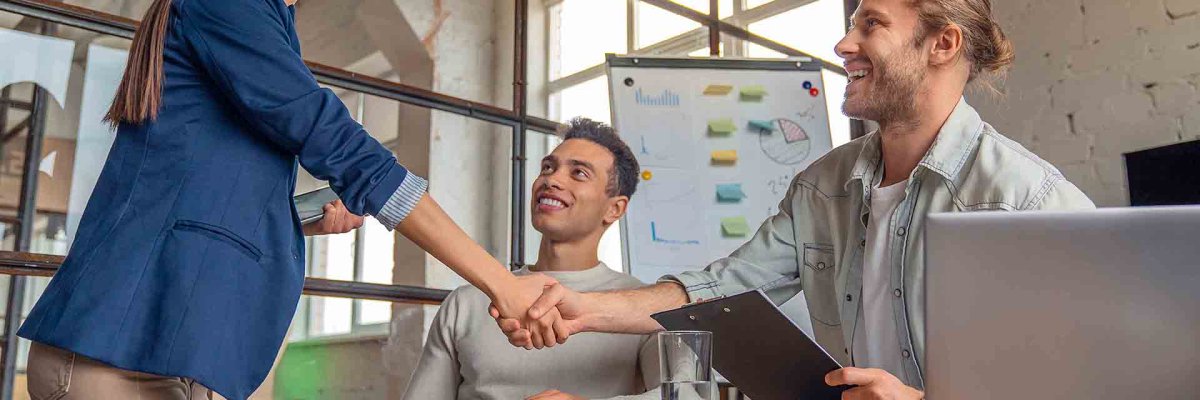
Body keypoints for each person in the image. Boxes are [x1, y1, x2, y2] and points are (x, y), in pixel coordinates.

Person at [495, 0, 1096, 399]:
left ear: (942, 44)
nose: (843, 43)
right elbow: (722, 286)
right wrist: (582, 309)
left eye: (871, 24)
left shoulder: (1029, 198)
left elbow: (1100, 375)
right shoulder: (821, 184)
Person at [18, 0, 552, 399]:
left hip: (169, 349)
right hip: (119, 353)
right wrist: (501, 282)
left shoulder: (269, 20)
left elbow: (193, 194)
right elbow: (338, 143)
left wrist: (295, 218)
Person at [403, 118, 660, 400]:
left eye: (578, 173)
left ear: (614, 209)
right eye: (548, 168)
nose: (552, 179)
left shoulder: (643, 311)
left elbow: (687, 394)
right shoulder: (466, 303)